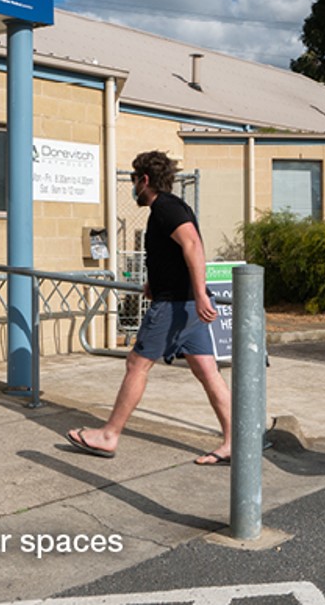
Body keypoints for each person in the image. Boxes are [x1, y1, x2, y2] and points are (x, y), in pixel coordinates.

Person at [66, 150, 233, 466]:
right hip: (185, 306)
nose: (133, 187)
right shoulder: (172, 207)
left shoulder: (165, 208)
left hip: (175, 306)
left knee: (136, 364)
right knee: (207, 371)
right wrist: (154, 282)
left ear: (144, 180)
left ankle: (109, 435)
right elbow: (174, 253)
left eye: (134, 180)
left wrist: (200, 293)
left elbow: (193, 244)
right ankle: (233, 441)